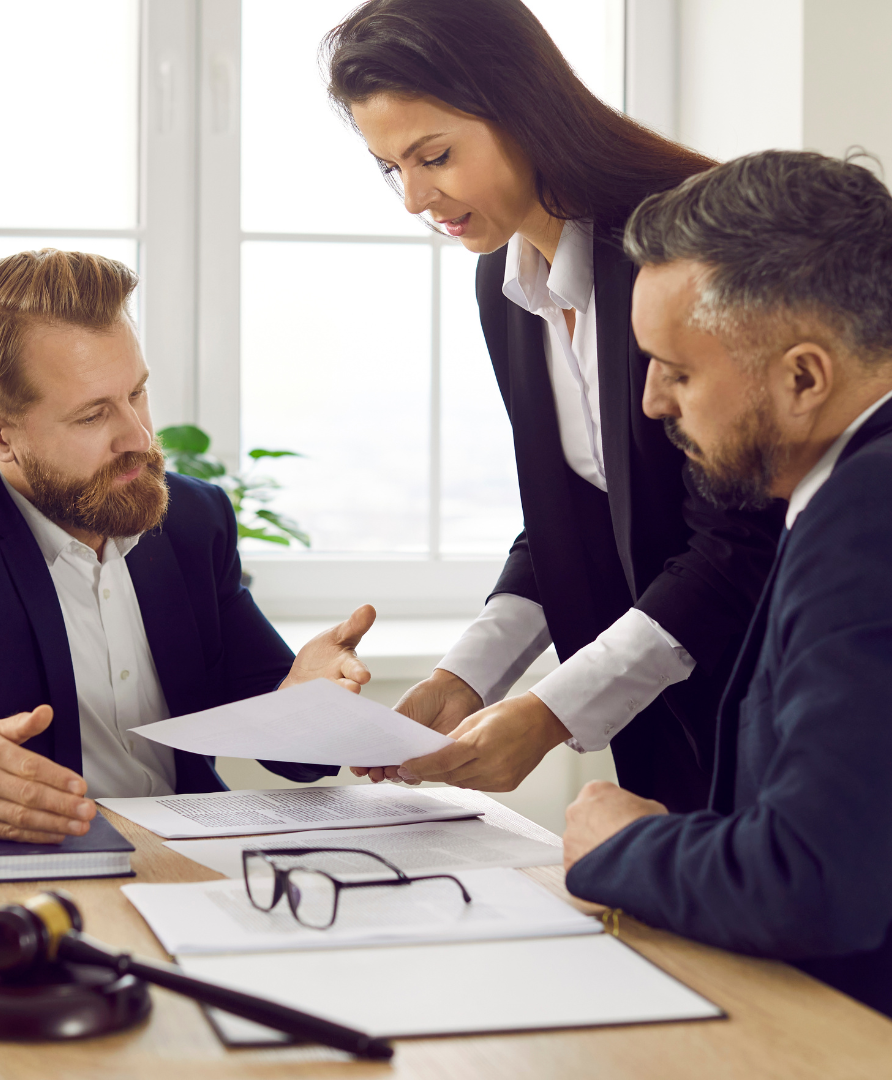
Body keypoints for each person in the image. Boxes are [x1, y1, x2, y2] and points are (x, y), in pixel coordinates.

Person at [324, 0, 785, 811]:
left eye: (433, 156)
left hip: (778, 706)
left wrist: (546, 715)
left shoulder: (689, 248)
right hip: (670, 722)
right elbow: (571, 517)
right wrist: (462, 679)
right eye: (391, 168)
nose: (413, 198)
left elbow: (743, 540)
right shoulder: (505, 285)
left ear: (521, 106)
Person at [0, 249, 369, 843]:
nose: (139, 436)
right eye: (91, 416)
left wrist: (307, 704)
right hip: (27, 880)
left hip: (194, 864)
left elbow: (281, 736)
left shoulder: (192, 519)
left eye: (138, 394)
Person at [563, 150, 892, 1018]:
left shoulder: (869, 512)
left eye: (677, 369)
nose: (651, 404)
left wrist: (626, 844)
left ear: (803, 377)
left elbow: (812, 878)